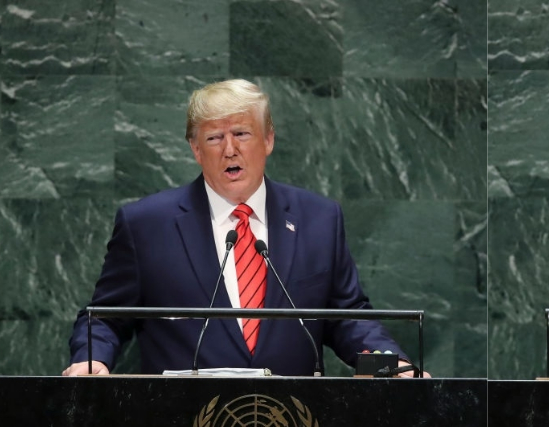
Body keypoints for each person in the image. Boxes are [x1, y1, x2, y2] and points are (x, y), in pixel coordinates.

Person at [65, 79, 424, 377]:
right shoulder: (146, 225)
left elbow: (347, 319)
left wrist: (390, 366)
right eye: (214, 138)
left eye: (242, 133)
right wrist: (91, 357)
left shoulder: (319, 218)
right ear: (194, 149)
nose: (230, 149)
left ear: (268, 140)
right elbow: (105, 318)